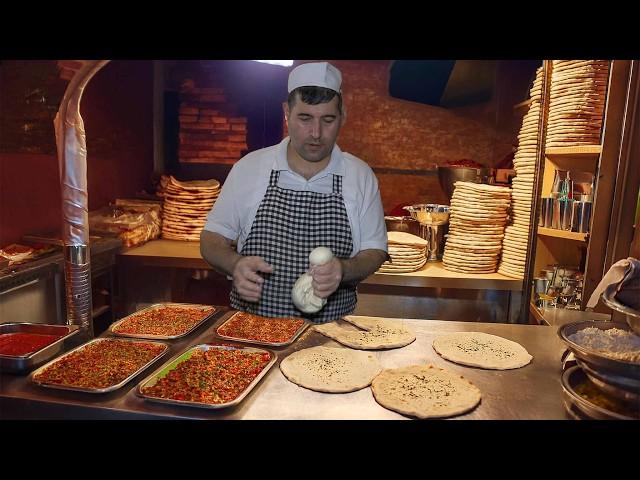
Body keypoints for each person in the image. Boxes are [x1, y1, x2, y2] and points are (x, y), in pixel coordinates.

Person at [200, 61, 388, 323]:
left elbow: (374, 251)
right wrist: (234, 264)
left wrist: (343, 270)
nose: (316, 133)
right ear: (287, 112)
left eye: (328, 119)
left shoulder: (359, 176)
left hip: (330, 339)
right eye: (305, 118)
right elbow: (211, 239)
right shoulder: (250, 169)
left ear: (343, 116)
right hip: (252, 333)